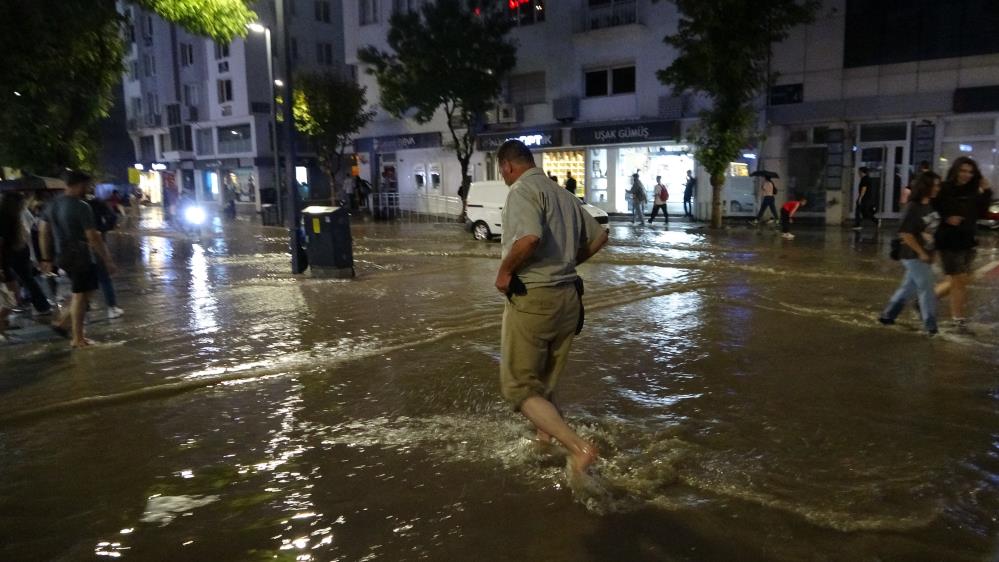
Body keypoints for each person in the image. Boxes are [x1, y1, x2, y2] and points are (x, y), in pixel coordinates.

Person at [493, 139, 608, 483]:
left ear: (507, 167)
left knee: (519, 387)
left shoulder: (521, 191)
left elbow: (528, 238)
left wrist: (505, 272)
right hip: (569, 299)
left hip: (535, 299)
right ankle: (544, 439)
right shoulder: (562, 194)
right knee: (544, 380)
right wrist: (567, 264)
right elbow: (600, 236)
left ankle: (578, 447)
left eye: (502, 173)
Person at [39, 171, 117, 348]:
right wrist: (107, 259)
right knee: (81, 295)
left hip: (62, 255)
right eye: (87, 185)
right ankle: (78, 338)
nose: (89, 188)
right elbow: (93, 236)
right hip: (80, 254)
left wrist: (46, 257)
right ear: (80, 184)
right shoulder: (82, 206)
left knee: (85, 292)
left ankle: (63, 323)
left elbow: (44, 231)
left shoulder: (52, 204)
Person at [932, 156, 994, 334]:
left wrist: (987, 190)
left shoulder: (974, 191)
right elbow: (931, 209)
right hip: (948, 240)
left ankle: (924, 302)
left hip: (967, 240)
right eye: (963, 171)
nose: (966, 175)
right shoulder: (944, 189)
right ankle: (958, 321)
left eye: (970, 172)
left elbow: (982, 212)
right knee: (958, 281)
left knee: (960, 280)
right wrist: (946, 218)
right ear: (956, 170)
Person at [878, 172, 942, 335]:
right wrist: (921, 253)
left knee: (908, 288)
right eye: (934, 185)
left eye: (938, 185)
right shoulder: (913, 207)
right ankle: (931, 326)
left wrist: (932, 252)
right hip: (913, 256)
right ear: (925, 186)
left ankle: (888, 316)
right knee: (926, 289)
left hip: (924, 254)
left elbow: (930, 231)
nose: (937, 188)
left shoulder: (930, 205)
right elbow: (906, 234)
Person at [0, 192, 53, 316]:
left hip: (8, 253)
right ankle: (40, 305)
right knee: (27, 279)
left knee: (13, 280)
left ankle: (12, 306)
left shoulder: (4, 217)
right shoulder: (16, 216)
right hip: (20, 250)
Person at [86, 195, 124, 319]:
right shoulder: (97, 203)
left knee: (84, 278)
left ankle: (84, 306)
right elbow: (112, 216)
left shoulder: (71, 203)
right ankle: (111, 308)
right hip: (96, 240)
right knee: (104, 277)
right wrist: (104, 228)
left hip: (77, 245)